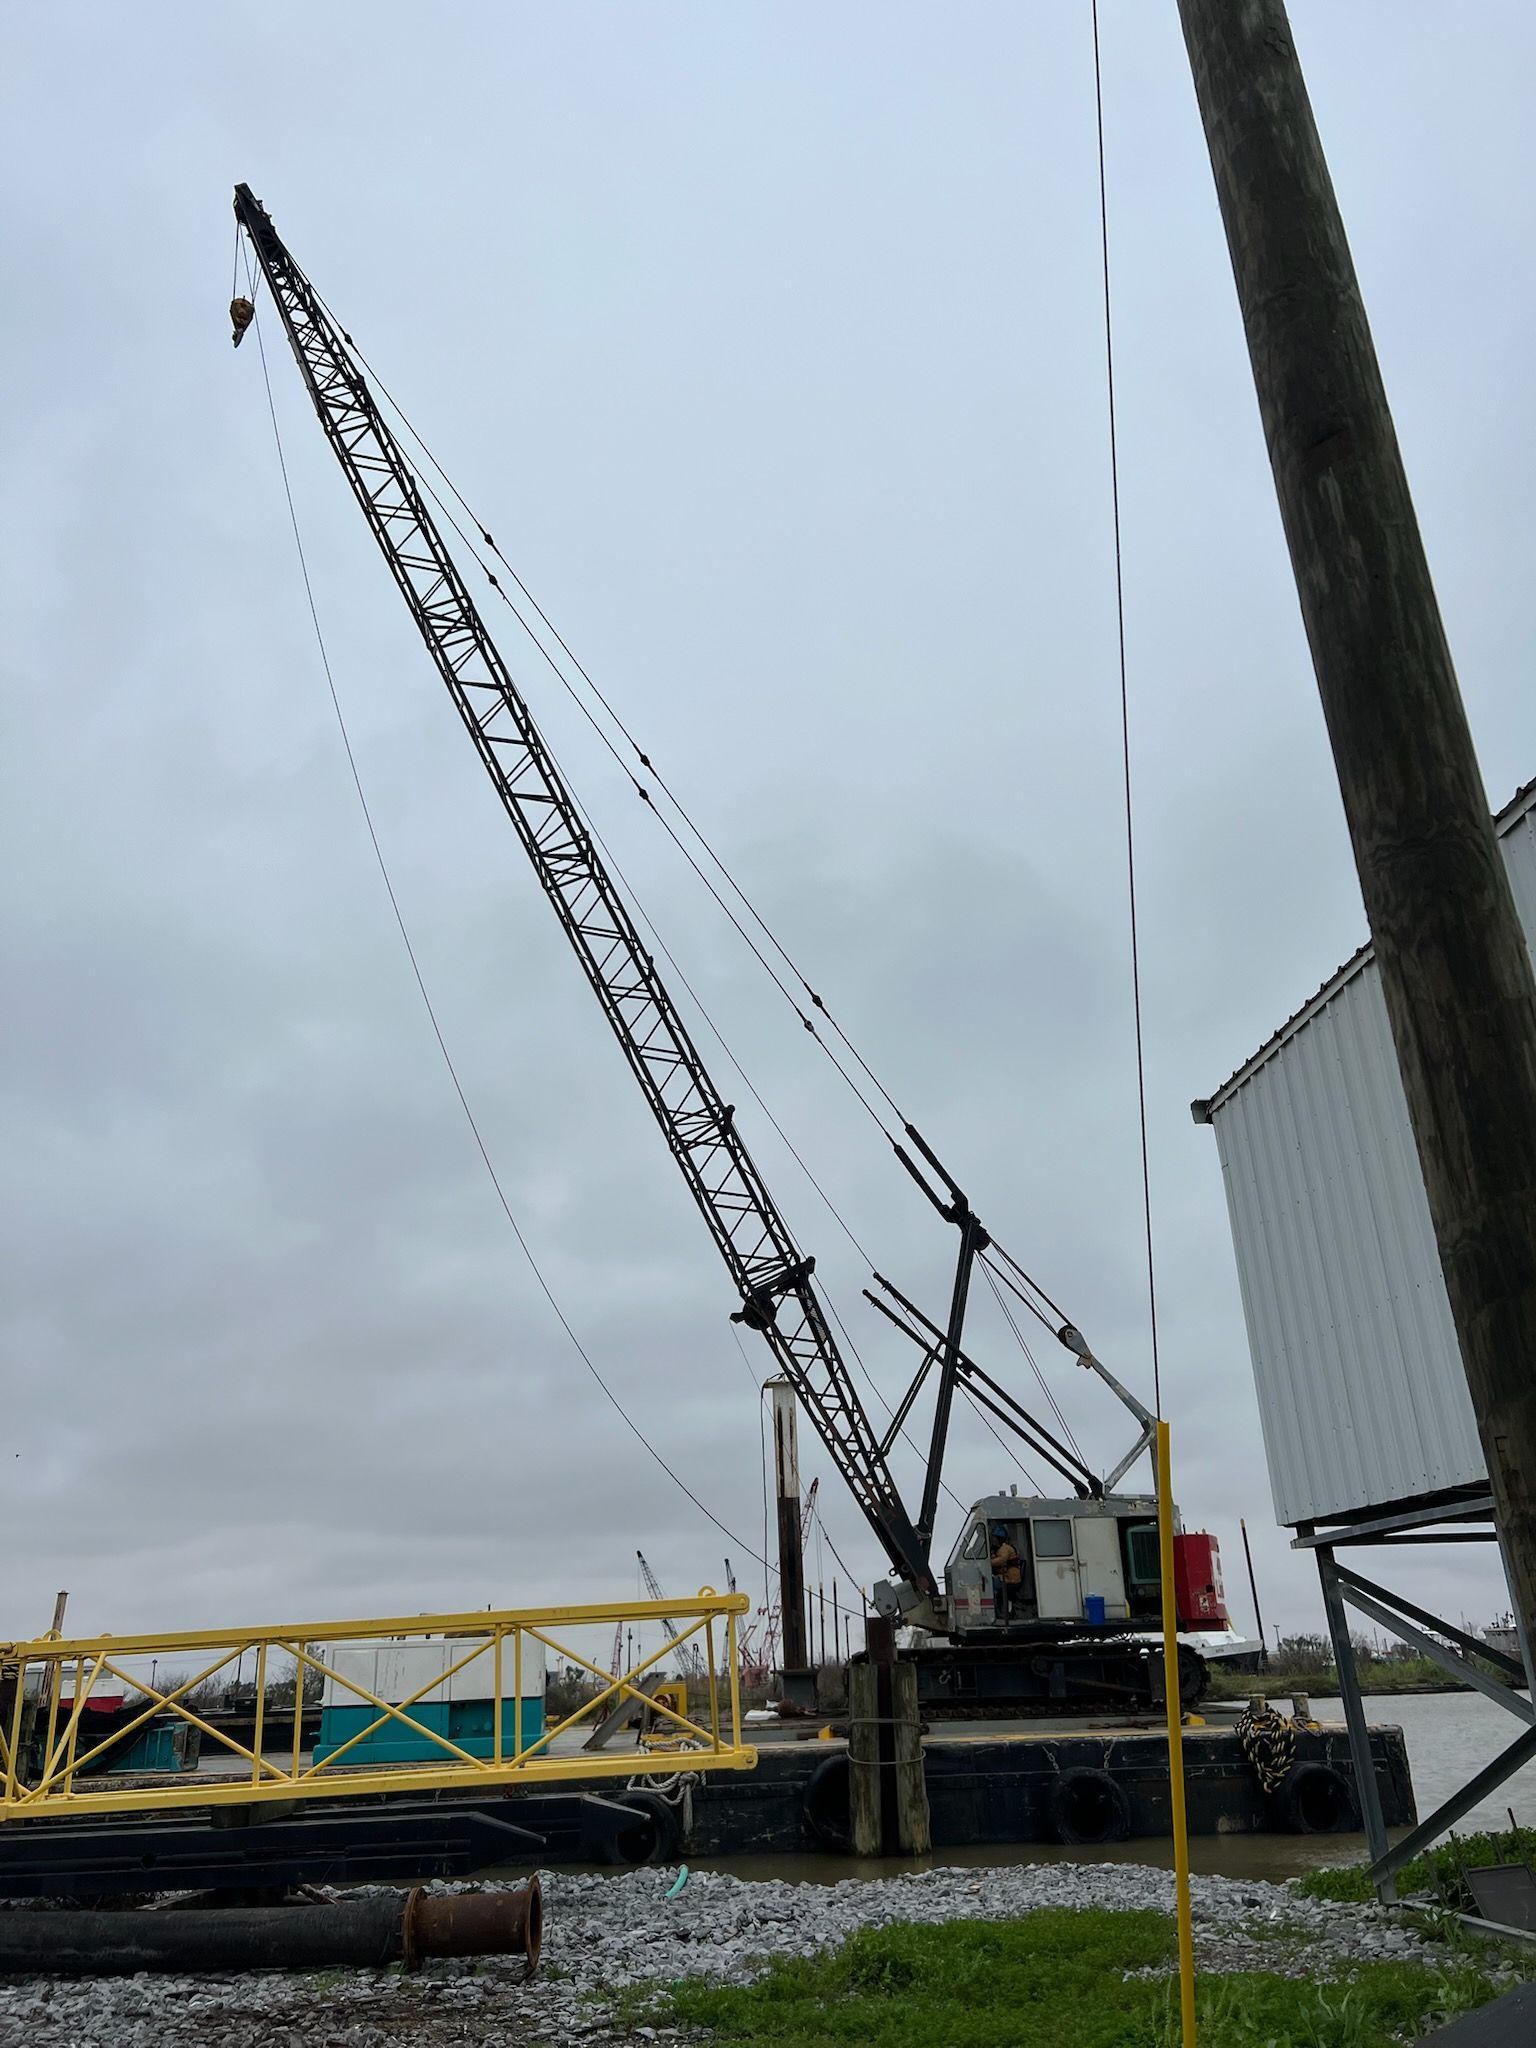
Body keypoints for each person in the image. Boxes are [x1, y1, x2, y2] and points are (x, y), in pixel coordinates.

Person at [990, 1524, 1022, 1625]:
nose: (993, 1540)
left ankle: (1000, 1613)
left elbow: (1001, 1560)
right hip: (1006, 1577)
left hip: (1011, 1580)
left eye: (995, 1538)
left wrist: (988, 1562)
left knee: (992, 1586)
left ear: (1000, 1538)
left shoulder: (1005, 1548)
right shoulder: (999, 1549)